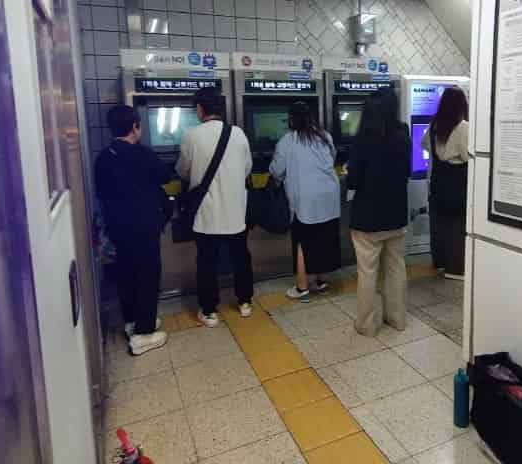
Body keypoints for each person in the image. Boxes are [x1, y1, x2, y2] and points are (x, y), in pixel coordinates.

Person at [94, 105, 172, 356]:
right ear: (135, 126)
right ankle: (145, 334)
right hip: (144, 226)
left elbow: (101, 192)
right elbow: (164, 176)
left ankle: (132, 322)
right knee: (147, 276)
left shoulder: (103, 158)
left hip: (118, 228)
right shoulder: (143, 154)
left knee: (126, 274)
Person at [176, 87, 254, 328]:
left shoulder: (190, 136)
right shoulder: (238, 133)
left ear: (200, 109)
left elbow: (183, 170)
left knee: (206, 263)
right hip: (235, 211)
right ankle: (245, 302)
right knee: (240, 258)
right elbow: (247, 168)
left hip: (206, 214)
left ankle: (209, 311)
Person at [347, 87, 411, 336]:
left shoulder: (363, 139)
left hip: (368, 220)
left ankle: (367, 325)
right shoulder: (403, 134)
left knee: (368, 272)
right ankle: (397, 319)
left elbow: (353, 181)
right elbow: (405, 172)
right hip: (396, 215)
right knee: (396, 268)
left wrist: (349, 172)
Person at [270, 101, 341, 302]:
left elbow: (277, 170)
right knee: (324, 239)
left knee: (302, 242)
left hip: (305, 201)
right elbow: (332, 158)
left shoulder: (288, 140)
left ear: (292, 119)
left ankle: (302, 288)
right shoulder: (324, 136)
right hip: (328, 197)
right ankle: (321, 281)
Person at [420, 87, 470, 280]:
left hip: (437, 180)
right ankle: (455, 268)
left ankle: (439, 262)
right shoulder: (463, 127)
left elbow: (424, 144)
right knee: (457, 225)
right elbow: (467, 155)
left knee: (438, 222)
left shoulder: (435, 124)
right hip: (457, 182)